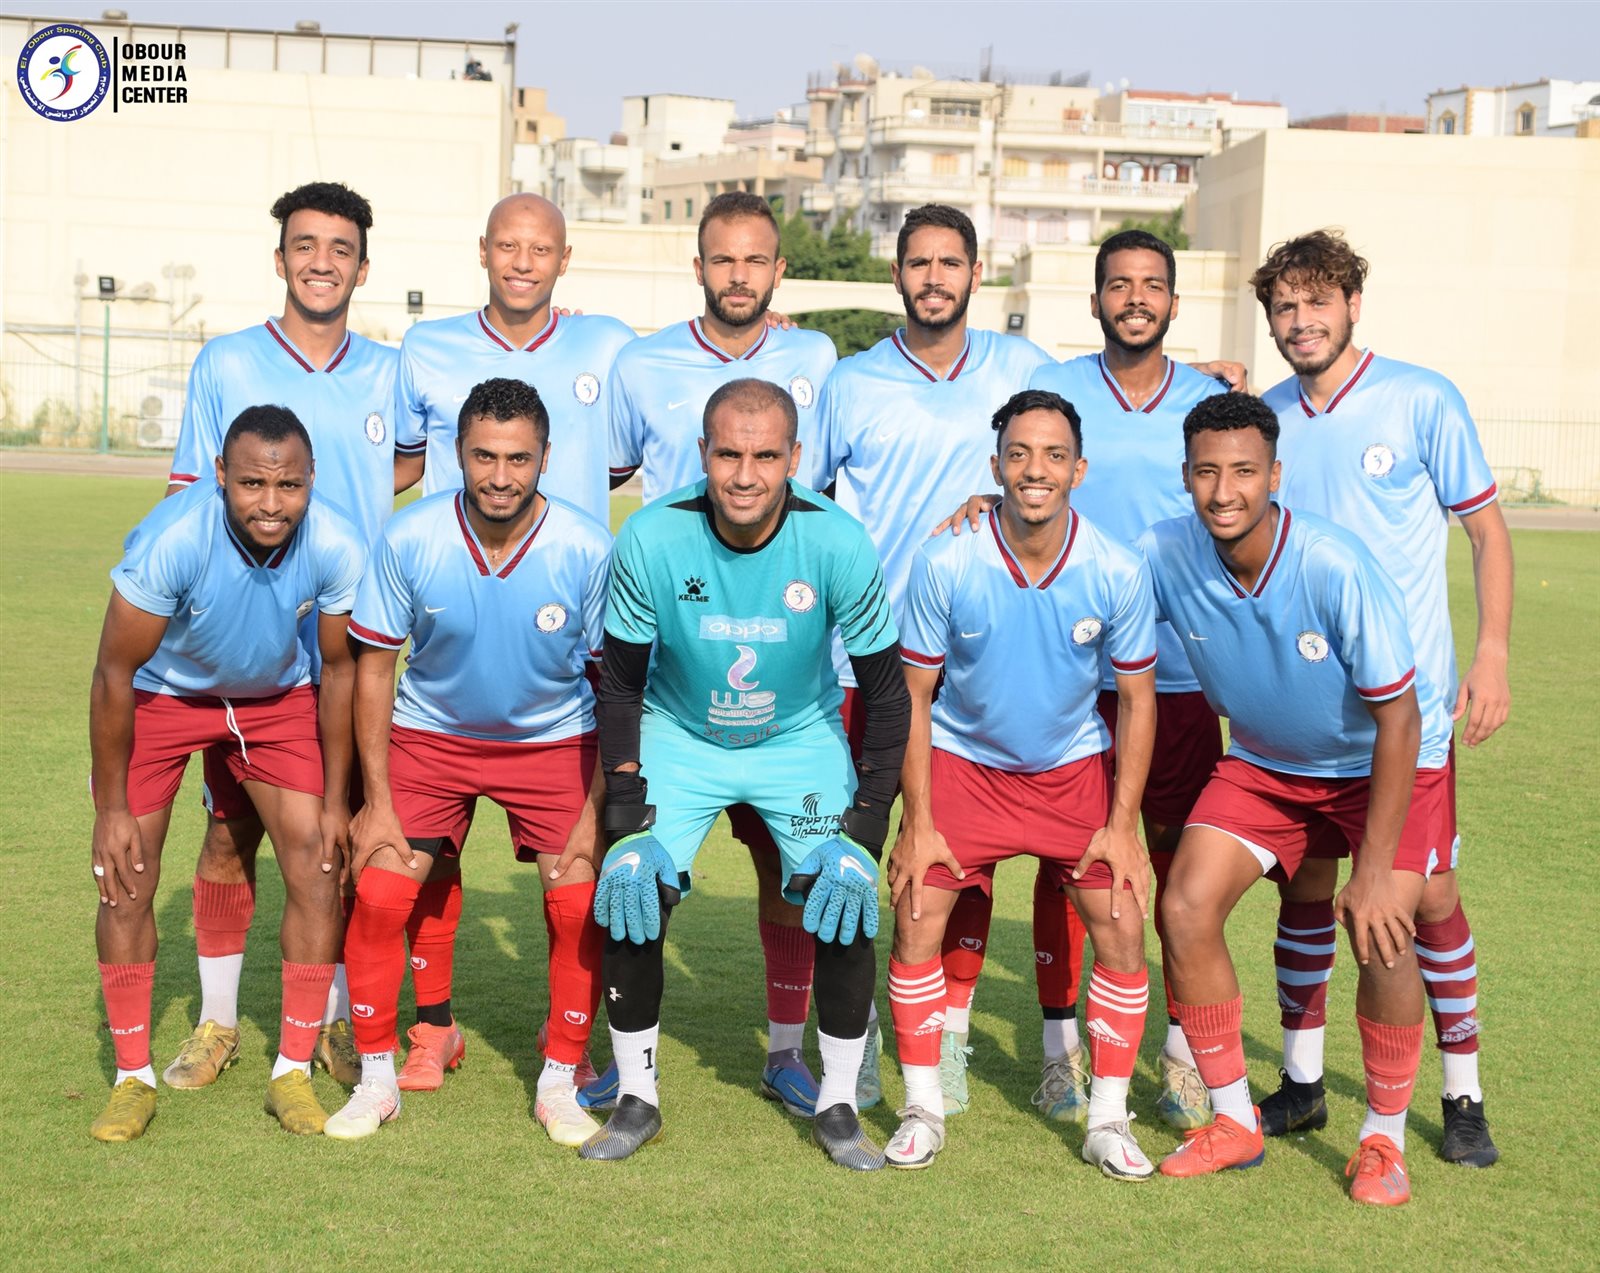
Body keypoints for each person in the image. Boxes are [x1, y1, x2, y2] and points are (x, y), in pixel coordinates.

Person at [578, 378, 909, 1169]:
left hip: (797, 738)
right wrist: (625, 812)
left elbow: (889, 694)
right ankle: (636, 1097)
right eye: (728, 454)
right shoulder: (652, 535)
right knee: (632, 882)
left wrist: (866, 825)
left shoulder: (838, 541)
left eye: (765, 456)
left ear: (795, 457)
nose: (745, 474)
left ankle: (836, 1104)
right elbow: (620, 683)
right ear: (702, 453)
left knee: (843, 888)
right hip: (681, 734)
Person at [1253, 230, 1510, 1166]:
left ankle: (1461, 1091)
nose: (1301, 320)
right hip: (1302, 716)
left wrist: (1491, 652)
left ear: (1353, 304)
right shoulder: (1266, 418)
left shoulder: (1421, 397)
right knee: (1306, 888)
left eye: (1317, 301)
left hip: (1407, 714)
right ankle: (1304, 1081)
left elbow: (1486, 531)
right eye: (1285, 306)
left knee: (1420, 902)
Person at [1146, 392, 1432, 1206]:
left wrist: (1373, 869)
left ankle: (1383, 1139)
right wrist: (999, 511)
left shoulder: (1332, 563)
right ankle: (1234, 1121)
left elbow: (1401, 718)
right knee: (1185, 905)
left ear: (1276, 475)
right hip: (1265, 766)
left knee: (1382, 928)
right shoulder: (1165, 551)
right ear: (1186, 476)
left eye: (1244, 471)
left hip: (1377, 763)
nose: (1224, 490)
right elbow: (1081, 572)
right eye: (1207, 471)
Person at [806, 203, 1058, 1115]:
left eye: (951, 262)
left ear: (976, 274)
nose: (935, 277)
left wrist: (1205, 379)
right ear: (897, 275)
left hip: (976, 663)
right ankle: (859, 1034)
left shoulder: (1023, 367)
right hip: (863, 657)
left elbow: (1074, 448)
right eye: (920, 262)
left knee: (961, 857)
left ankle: (946, 1035)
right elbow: (809, 498)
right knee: (852, 849)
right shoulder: (851, 380)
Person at [593, 192, 838, 1118]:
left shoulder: (817, 359)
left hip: (786, 657)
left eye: (756, 259)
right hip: (674, 663)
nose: (739, 276)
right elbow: (598, 472)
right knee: (642, 866)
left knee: (790, 870)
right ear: (697, 267)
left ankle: (785, 1050)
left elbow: (838, 481)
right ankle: (624, 1056)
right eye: (723, 259)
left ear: (779, 269)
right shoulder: (640, 360)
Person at [383, 194, 632, 1087]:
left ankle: (570, 1040)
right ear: (482, 250)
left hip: (563, 647)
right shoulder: (425, 347)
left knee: (575, 878)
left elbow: (657, 442)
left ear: (566, 257)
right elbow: (394, 463)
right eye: (508, 245)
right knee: (420, 859)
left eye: (541, 247)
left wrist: (771, 333)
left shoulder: (612, 345)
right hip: (449, 639)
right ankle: (432, 1026)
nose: (523, 261)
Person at [324, 378, 611, 1146]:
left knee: (577, 903)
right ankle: (377, 1078)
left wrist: (596, 809)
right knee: (380, 892)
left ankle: (559, 1078)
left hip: (555, 739)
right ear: (457, 453)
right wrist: (377, 799)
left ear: (546, 456)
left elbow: (614, 683)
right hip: (432, 737)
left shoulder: (587, 546)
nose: (500, 475)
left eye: (519, 458)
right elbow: (375, 668)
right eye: (484, 456)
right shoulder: (411, 536)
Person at [161, 181, 401, 1090]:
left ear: (363, 269)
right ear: (280, 259)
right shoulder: (225, 362)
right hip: (244, 653)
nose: (321, 262)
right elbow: (190, 492)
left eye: (341, 249)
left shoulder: (392, 372)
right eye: (305, 245)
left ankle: (330, 1020)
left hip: (351, 650)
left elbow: (412, 458)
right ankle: (218, 1022)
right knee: (229, 835)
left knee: (335, 842)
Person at [885, 389, 1158, 1176]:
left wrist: (1123, 825)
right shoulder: (946, 558)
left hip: (1071, 770)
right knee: (915, 913)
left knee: (1122, 925)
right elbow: (914, 695)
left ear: (1079, 468)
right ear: (996, 464)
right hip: (965, 764)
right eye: (1019, 453)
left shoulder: (1115, 567)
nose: (1036, 469)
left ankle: (1108, 1119)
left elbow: (1138, 701)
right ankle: (923, 1107)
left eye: (1053, 455)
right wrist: (918, 821)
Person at [88, 407, 364, 1141]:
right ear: (220, 476)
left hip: (275, 698)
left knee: (318, 860)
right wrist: (110, 810)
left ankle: (291, 1071)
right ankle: (132, 1078)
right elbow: (113, 671)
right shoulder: (173, 539)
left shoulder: (336, 541)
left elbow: (339, 669)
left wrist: (336, 800)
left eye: (289, 485)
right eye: (251, 483)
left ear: (311, 480)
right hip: (166, 693)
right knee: (126, 877)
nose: (271, 503)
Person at [1018, 230, 1228, 1129]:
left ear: (1174, 302)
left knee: (1180, 868)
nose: (1135, 297)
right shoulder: (1057, 385)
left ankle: (1182, 1057)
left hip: (1178, 675)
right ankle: (1059, 1052)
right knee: (1067, 860)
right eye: (1119, 283)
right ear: (1096, 298)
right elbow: (1018, 474)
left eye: (1152, 284)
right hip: (1070, 670)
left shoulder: (1210, 397)